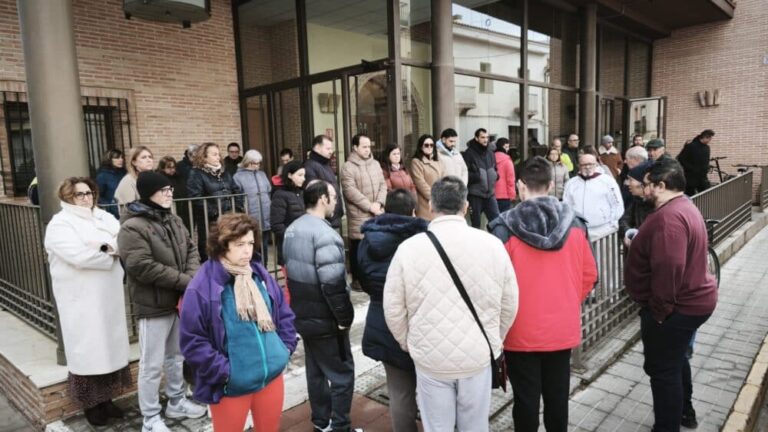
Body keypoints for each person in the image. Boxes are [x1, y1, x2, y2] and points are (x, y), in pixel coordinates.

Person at [384, 176, 518, 432]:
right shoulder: (492, 245)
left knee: (437, 426)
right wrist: (494, 337)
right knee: (475, 425)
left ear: (431, 205)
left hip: (430, 356)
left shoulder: (408, 249)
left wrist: (408, 341)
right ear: (466, 206)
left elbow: (393, 307)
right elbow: (510, 302)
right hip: (477, 354)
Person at [488, 157, 597, 432]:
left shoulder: (503, 228)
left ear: (520, 186)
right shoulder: (575, 225)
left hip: (519, 330)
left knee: (525, 401)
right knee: (558, 398)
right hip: (561, 328)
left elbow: (494, 284)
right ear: (550, 185)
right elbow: (589, 275)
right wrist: (567, 300)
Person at [179, 213, 297, 432]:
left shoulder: (259, 273)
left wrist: (285, 348)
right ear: (222, 245)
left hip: (271, 377)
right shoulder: (202, 286)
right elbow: (193, 341)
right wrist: (225, 373)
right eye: (239, 244)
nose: (247, 251)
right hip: (231, 387)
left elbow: (283, 312)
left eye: (250, 243)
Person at [625, 158, 717, 432]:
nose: (644, 190)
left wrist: (659, 313)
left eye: (648, 185)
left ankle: (667, 426)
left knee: (663, 371)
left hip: (676, 308)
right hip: (689, 303)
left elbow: (669, 268)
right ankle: (684, 413)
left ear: (662, 186)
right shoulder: (683, 206)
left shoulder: (668, 218)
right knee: (675, 362)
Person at [118, 171, 205, 432]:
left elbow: (191, 249)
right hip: (153, 305)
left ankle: (176, 401)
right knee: (151, 365)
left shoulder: (174, 219)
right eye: (163, 190)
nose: (169, 194)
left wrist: (191, 277)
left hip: (178, 301)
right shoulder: (132, 227)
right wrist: (185, 281)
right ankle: (150, 417)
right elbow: (141, 266)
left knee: (176, 357)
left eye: (170, 190)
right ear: (148, 193)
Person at [44, 177, 130, 426]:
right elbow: (78, 256)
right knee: (89, 350)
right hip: (80, 297)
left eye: (89, 193)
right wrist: (108, 254)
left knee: (109, 347)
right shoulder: (60, 224)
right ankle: (91, 404)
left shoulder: (104, 216)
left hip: (108, 293)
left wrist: (105, 247)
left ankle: (107, 399)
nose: (86, 198)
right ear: (68, 197)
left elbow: (122, 239)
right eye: (79, 194)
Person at [283, 180, 355, 432]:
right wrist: (344, 318)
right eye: (333, 197)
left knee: (316, 373)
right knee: (342, 374)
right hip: (326, 319)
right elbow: (333, 283)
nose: (335, 202)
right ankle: (340, 426)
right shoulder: (326, 234)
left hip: (304, 316)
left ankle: (321, 423)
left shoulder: (292, 229)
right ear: (323, 199)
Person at [358, 189, 428, 432]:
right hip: (418, 321)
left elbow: (363, 280)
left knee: (399, 392)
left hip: (381, 318)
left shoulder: (368, 239)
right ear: (413, 212)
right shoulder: (421, 238)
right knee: (431, 391)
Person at [340, 133, 387, 287]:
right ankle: (357, 280)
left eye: (369, 146)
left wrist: (379, 203)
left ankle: (372, 278)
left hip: (376, 211)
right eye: (364, 147)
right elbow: (350, 191)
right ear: (355, 147)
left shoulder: (375, 164)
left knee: (374, 246)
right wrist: (369, 206)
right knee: (358, 248)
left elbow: (383, 185)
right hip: (359, 214)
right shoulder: (348, 167)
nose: (368, 149)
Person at [188, 142, 242, 261]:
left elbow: (236, 190)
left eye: (218, 154)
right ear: (204, 156)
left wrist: (237, 209)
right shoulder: (196, 173)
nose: (218, 157)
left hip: (228, 218)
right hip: (209, 220)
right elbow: (196, 197)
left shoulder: (224, 172)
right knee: (211, 249)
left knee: (228, 248)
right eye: (214, 154)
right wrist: (215, 212)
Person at [563, 152, 624, 241]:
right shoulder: (571, 183)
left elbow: (617, 204)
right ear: (578, 166)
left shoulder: (608, 181)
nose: (587, 167)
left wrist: (611, 224)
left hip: (603, 231)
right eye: (584, 165)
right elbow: (566, 205)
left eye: (590, 164)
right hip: (579, 230)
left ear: (596, 164)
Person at [233, 150, 272, 264]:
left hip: (265, 216)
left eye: (259, 163)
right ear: (247, 162)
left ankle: (264, 270)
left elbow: (268, 191)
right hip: (250, 217)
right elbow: (238, 198)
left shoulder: (262, 174)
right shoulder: (238, 177)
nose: (257, 166)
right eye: (255, 163)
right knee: (251, 248)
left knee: (264, 247)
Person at [270, 160, 305, 270]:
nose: (303, 178)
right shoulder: (280, 195)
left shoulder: (300, 193)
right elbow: (276, 225)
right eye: (300, 175)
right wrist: (294, 237)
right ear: (290, 175)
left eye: (304, 175)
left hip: (302, 248)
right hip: (289, 249)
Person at [304, 134, 344, 229]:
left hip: (333, 217)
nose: (331, 151)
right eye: (328, 148)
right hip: (324, 221)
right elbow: (315, 196)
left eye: (331, 148)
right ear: (317, 147)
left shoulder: (325, 164)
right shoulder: (310, 166)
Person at [462, 128, 499, 228]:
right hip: (475, 195)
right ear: (476, 138)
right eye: (482, 137)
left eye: (487, 137)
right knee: (476, 225)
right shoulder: (468, 153)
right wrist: (477, 176)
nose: (485, 140)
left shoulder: (490, 153)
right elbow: (464, 174)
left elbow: (495, 168)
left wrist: (496, 175)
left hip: (490, 195)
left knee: (497, 222)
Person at [619, 161, 654, 246]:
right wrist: (629, 233)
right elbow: (623, 220)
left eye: (631, 180)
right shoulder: (637, 201)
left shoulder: (657, 204)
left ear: (642, 183)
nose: (628, 184)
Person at [410, 134, 443, 220]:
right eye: (426, 145)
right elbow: (420, 183)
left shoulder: (438, 161)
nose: (429, 147)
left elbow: (444, 179)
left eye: (431, 145)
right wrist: (435, 198)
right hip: (425, 203)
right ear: (421, 146)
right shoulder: (416, 162)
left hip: (439, 201)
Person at [677, 129, 714, 196]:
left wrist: (707, 167)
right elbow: (681, 159)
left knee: (705, 194)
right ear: (705, 137)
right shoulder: (691, 146)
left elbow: (706, 160)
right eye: (709, 139)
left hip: (702, 177)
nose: (710, 141)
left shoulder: (707, 148)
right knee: (690, 195)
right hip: (690, 177)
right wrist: (692, 168)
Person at [95, 149, 126, 218]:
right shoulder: (102, 176)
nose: (121, 160)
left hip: (126, 209)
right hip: (113, 213)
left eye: (121, 157)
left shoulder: (124, 173)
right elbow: (98, 196)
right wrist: (111, 206)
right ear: (109, 159)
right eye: (117, 158)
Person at [494, 137, 516, 212]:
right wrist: (512, 195)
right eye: (506, 147)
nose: (508, 149)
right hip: (505, 195)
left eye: (508, 147)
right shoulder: (507, 161)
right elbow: (510, 180)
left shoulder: (490, 158)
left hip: (492, 194)